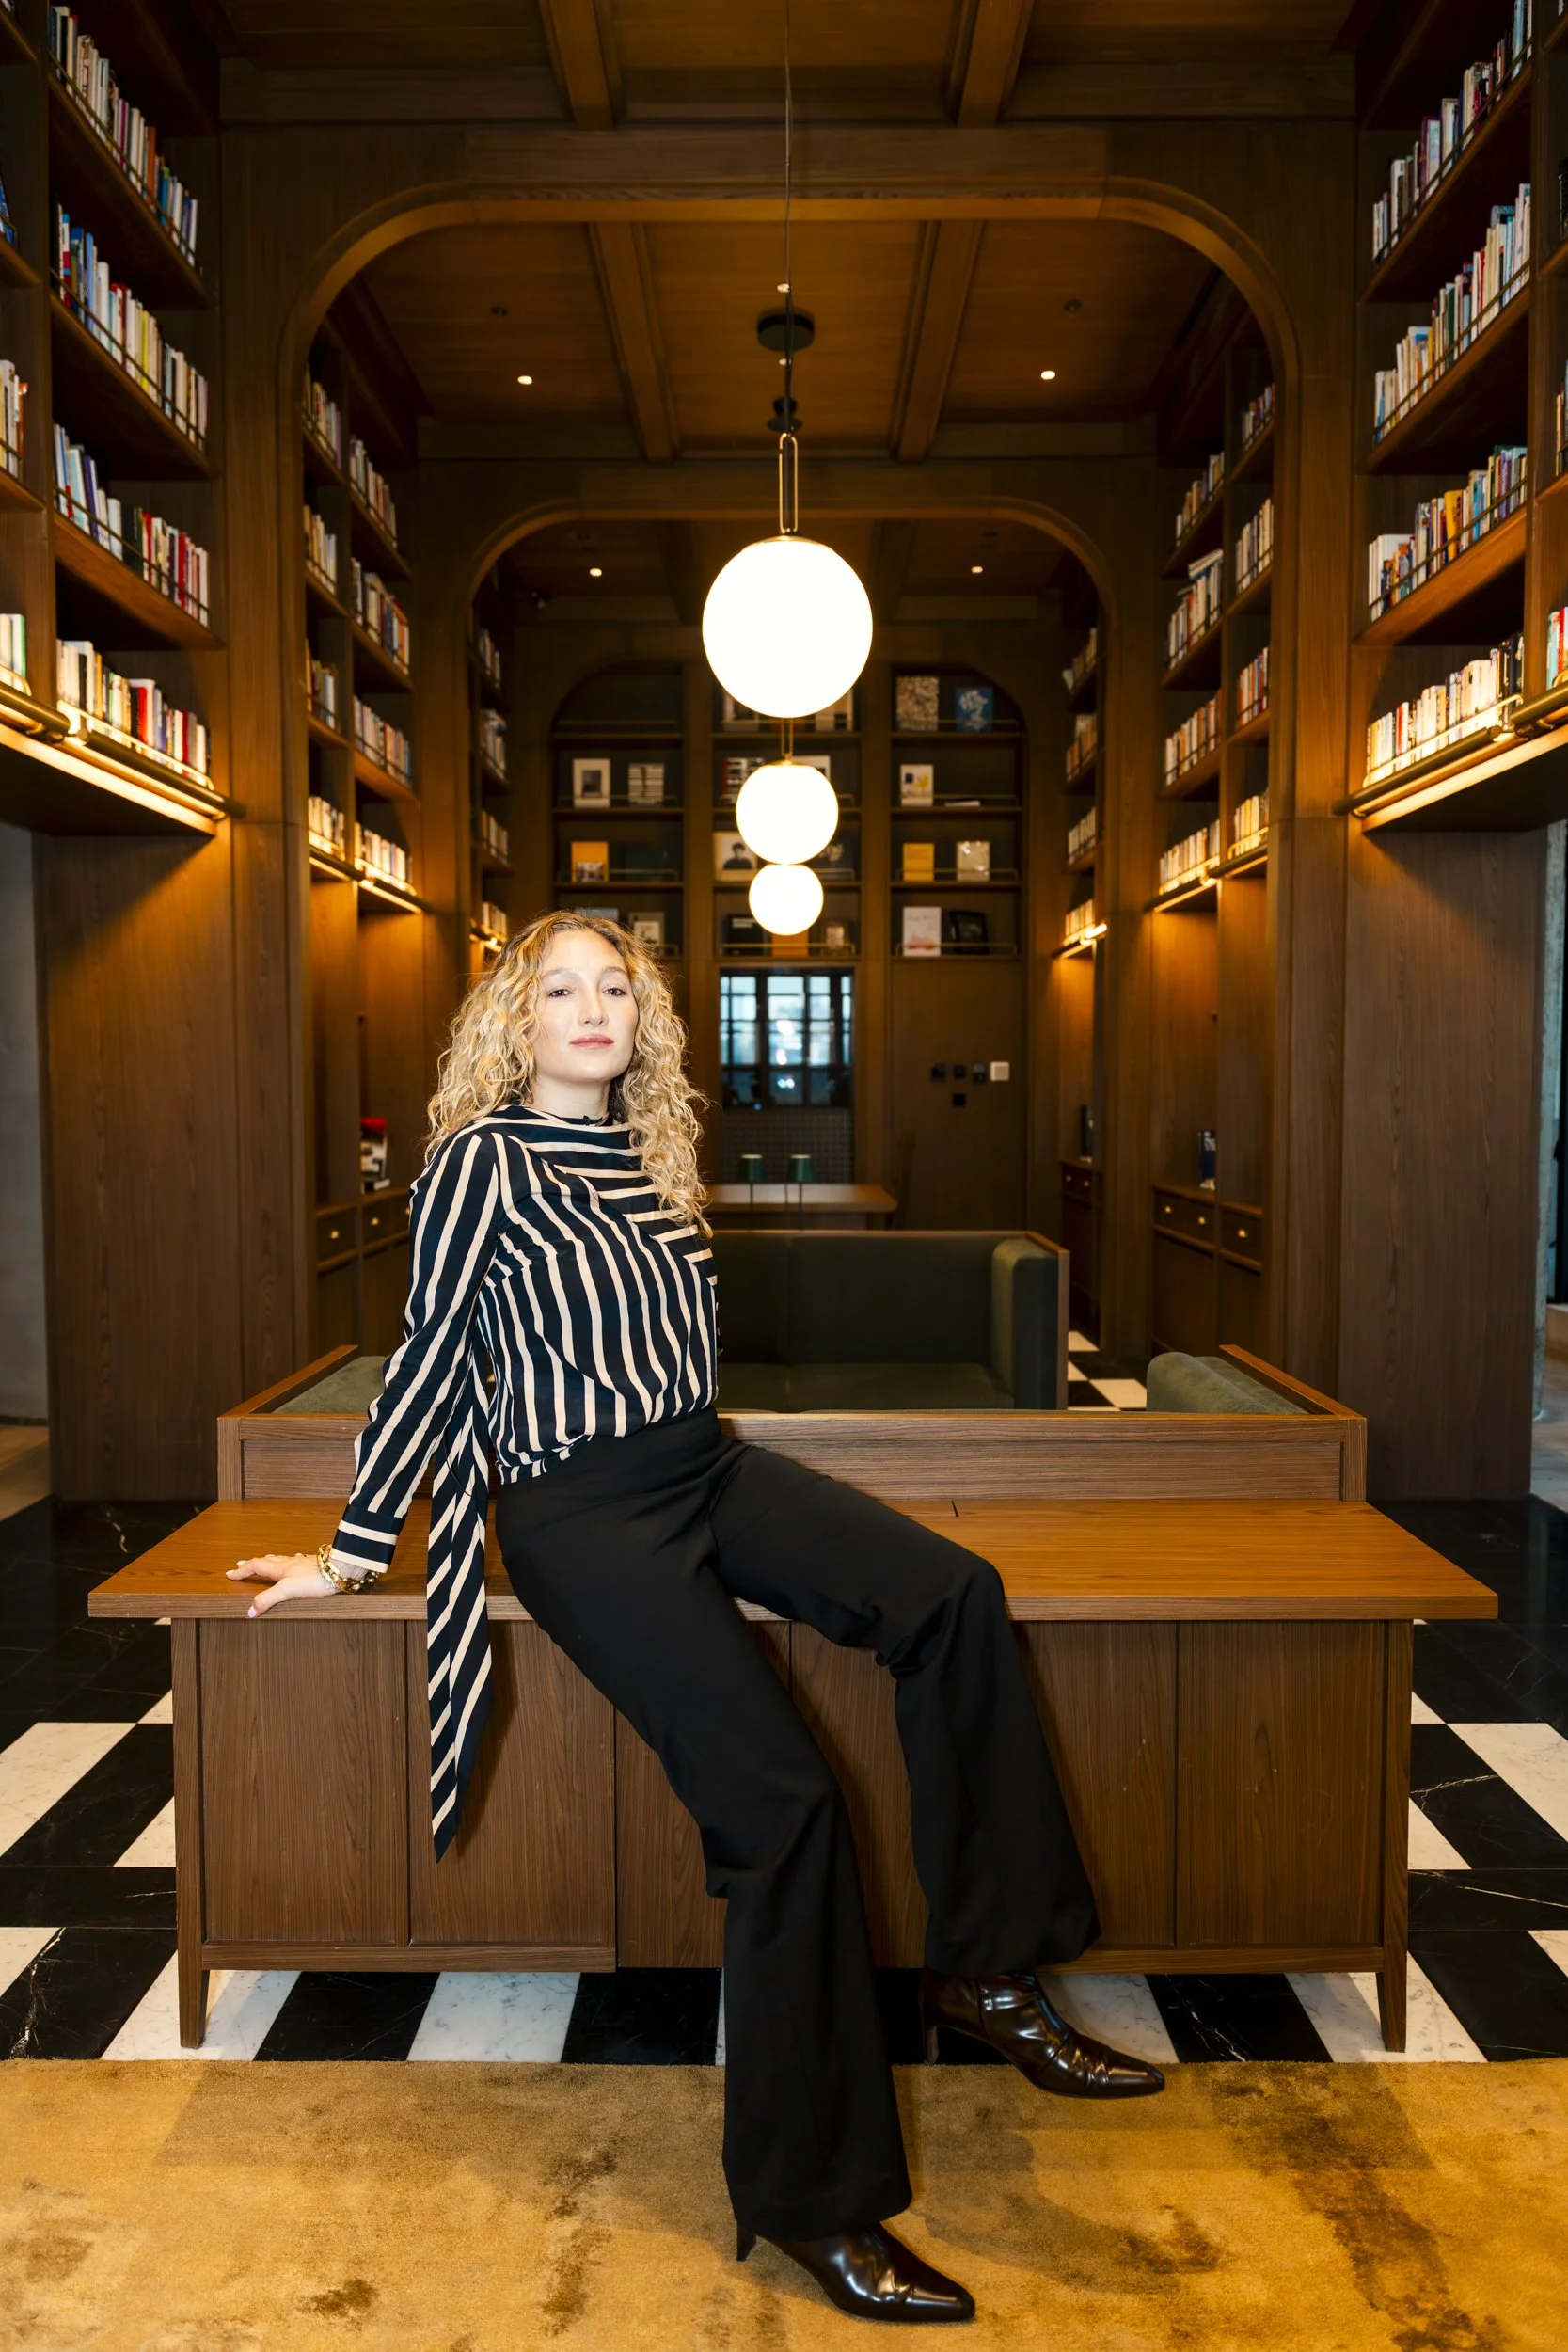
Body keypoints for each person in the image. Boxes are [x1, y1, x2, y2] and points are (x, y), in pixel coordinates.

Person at [230, 912, 1163, 2327]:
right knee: (786, 1807)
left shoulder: (649, 1157)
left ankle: (986, 1970)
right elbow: (426, 1358)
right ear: (515, 1022)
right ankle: (814, 2201)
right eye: (559, 989)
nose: (590, 1008)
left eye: (614, 987)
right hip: (579, 1512)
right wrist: (355, 1557)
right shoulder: (479, 1162)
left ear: (642, 1020)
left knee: (952, 1596)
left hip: (702, 1468)